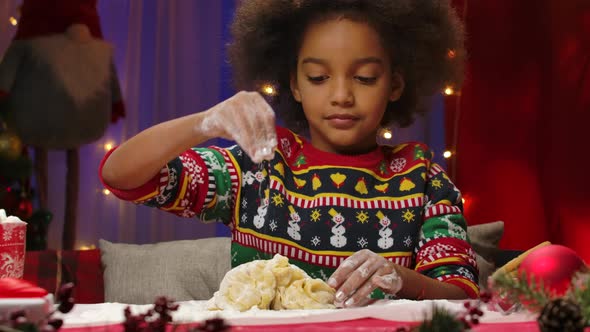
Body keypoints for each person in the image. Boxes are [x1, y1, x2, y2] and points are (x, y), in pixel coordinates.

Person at [100, 0, 479, 308]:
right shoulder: (259, 164)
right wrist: (205, 123)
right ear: (294, 84)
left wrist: (399, 278)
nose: (341, 96)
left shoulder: (421, 176)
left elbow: (460, 295)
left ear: (395, 84)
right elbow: (121, 175)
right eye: (318, 77)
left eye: (364, 77)